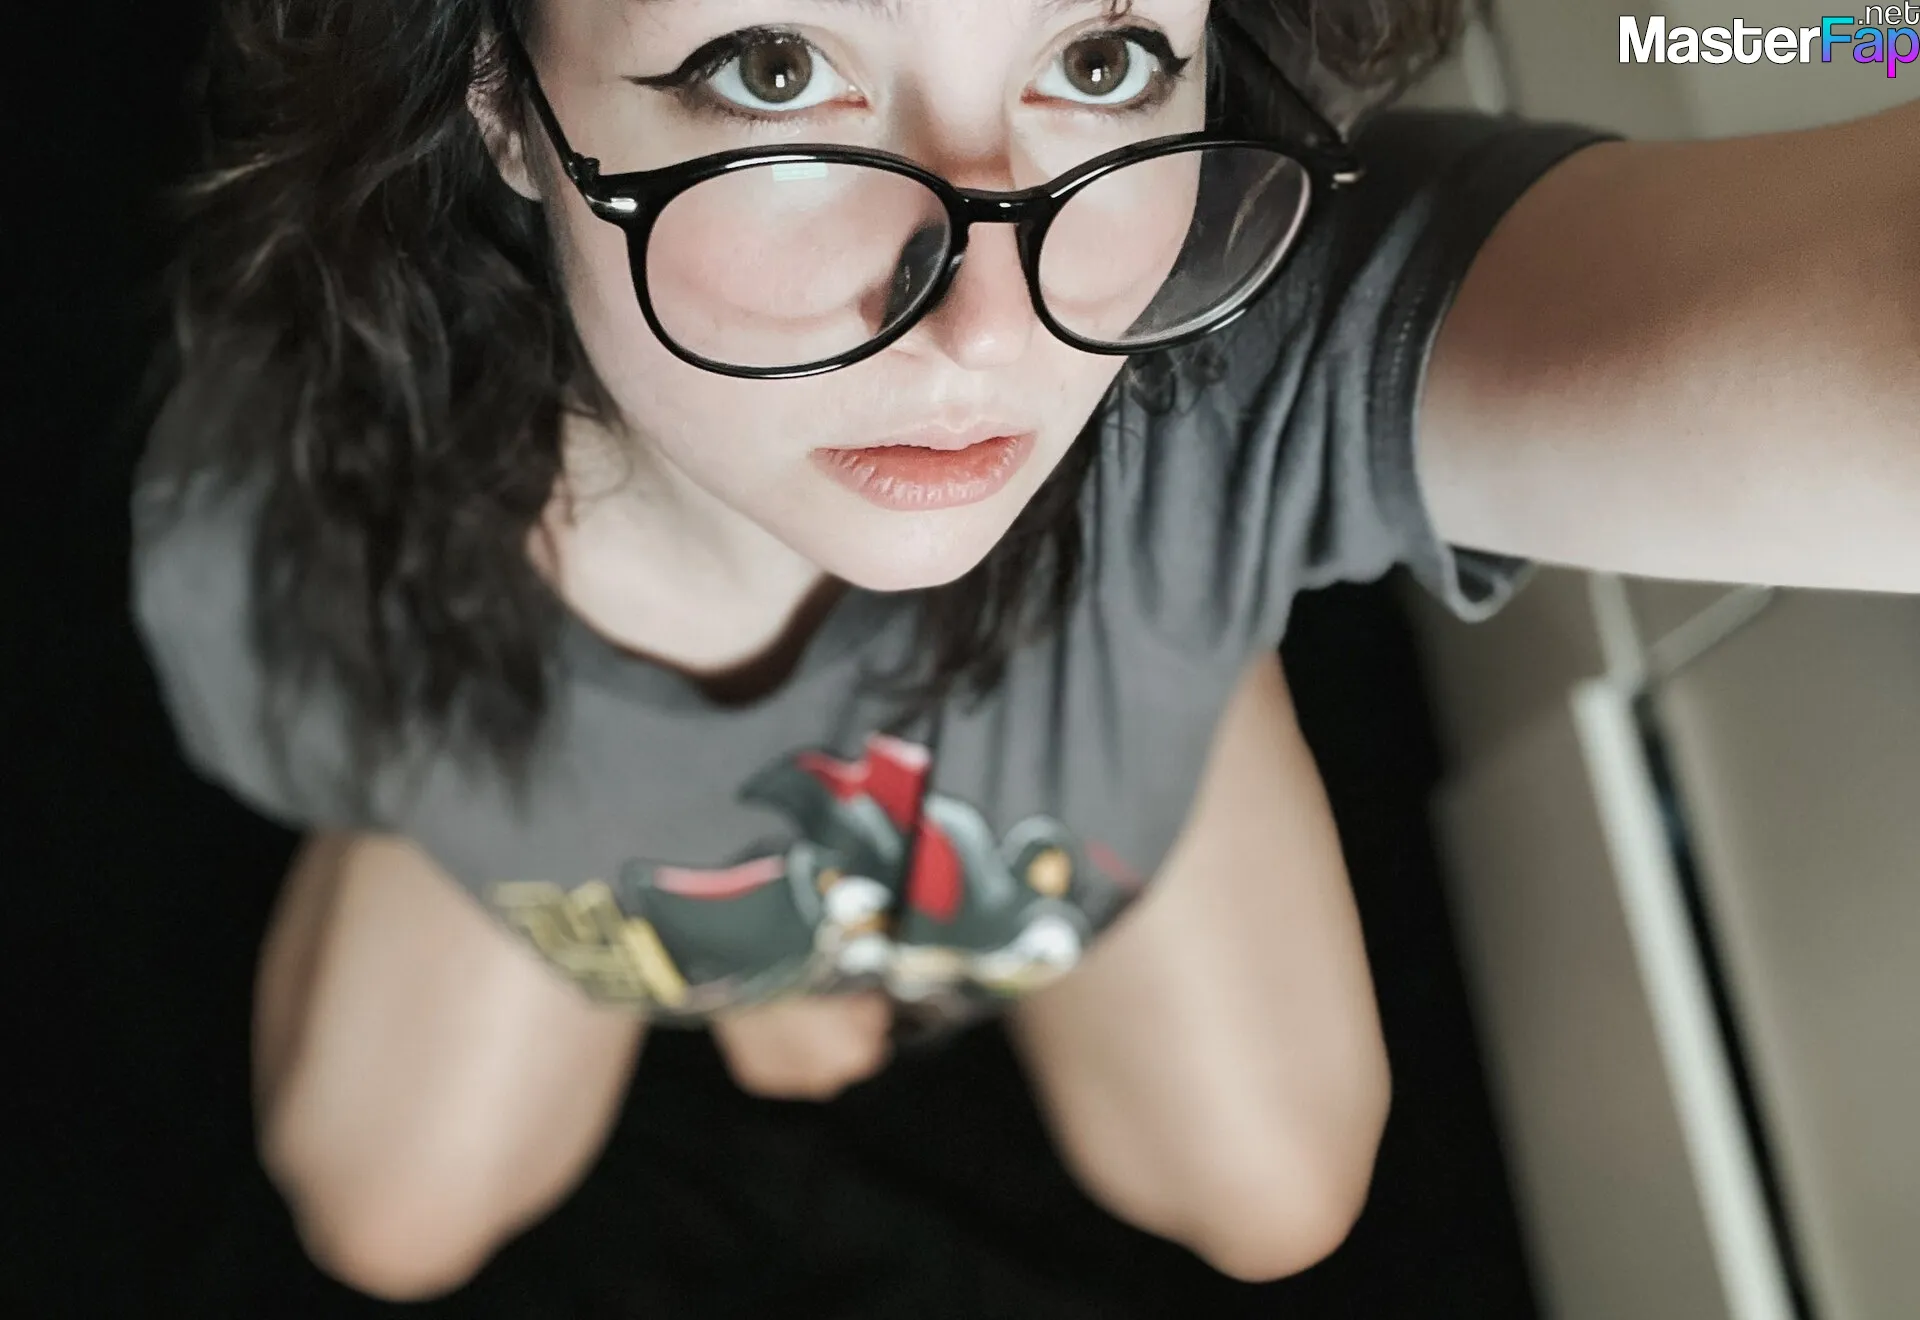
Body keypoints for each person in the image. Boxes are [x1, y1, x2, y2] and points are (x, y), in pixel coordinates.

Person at [128, 0, 1920, 1302]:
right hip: (481, 726)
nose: (994, 324)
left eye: (1105, 57)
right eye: (776, 68)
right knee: (383, 1222)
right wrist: (752, 974)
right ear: (500, 95)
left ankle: (1193, 641)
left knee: (1281, 1198)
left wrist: (1852, 34)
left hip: (1094, 733)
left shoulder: (1238, 355)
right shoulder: (286, 521)